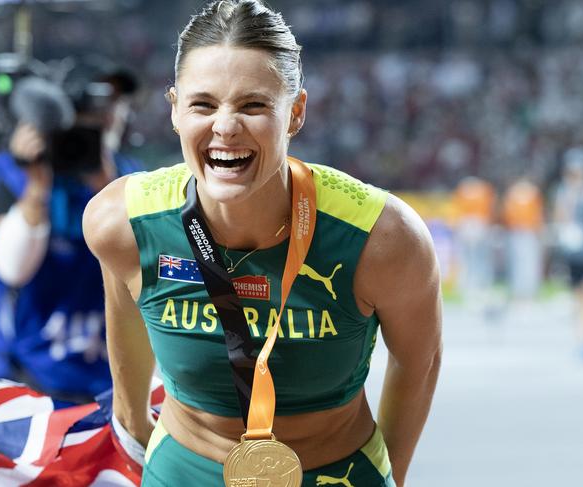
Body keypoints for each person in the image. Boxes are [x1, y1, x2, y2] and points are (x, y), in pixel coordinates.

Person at [84, 1, 442, 486]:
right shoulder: (122, 222)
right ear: (174, 110)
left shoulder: (383, 238)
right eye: (203, 105)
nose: (225, 127)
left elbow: (418, 362)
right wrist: (133, 429)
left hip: (337, 471)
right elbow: (125, 316)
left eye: (253, 105)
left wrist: (388, 476)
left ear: (295, 113)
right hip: (184, 469)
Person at [0, 70, 141, 401]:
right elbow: (11, 269)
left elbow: (149, 264)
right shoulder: (20, 175)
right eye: (88, 121)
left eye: (116, 104)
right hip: (34, 379)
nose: (110, 116)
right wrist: (36, 186)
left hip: (113, 382)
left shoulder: (133, 179)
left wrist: (107, 187)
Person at [552, 147, 583, 360]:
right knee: (578, 297)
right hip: (574, 251)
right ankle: (580, 340)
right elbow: (560, 218)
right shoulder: (563, 192)